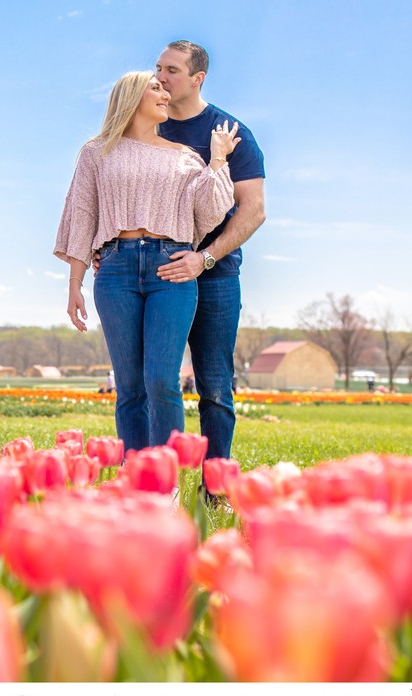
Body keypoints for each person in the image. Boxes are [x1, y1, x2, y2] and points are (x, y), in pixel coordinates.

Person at [54, 71, 237, 452]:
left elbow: (210, 210)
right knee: (129, 386)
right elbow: (83, 214)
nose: (165, 94)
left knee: (161, 380)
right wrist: (74, 283)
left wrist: (218, 157)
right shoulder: (96, 152)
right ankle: (134, 476)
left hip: (170, 269)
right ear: (132, 96)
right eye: (156, 88)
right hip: (114, 269)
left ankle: (165, 475)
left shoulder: (186, 157)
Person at [152, 40, 266, 476]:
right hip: (155, 270)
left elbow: (254, 210)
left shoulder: (231, 133)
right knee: (152, 382)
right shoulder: (146, 125)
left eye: (172, 70)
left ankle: (215, 489)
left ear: (198, 78)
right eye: (158, 68)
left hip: (214, 276)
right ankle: (154, 485)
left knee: (215, 386)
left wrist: (205, 259)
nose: (160, 77)